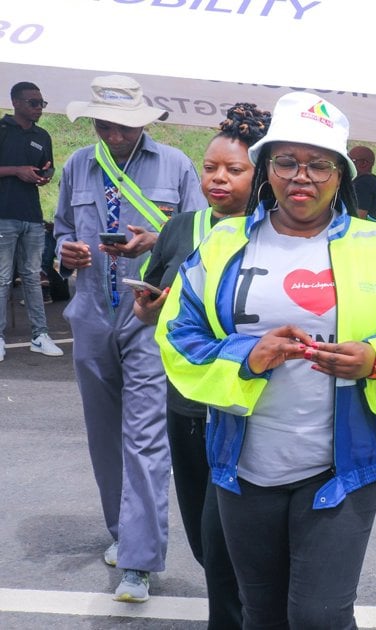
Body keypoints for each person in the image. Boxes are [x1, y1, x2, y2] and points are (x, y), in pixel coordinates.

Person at [156, 91, 376, 628]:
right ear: (267, 169)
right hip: (243, 467)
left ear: (341, 174)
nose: (301, 177)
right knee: (260, 613)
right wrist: (247, 356)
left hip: (342, 465)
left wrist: (375, 358)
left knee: (319, 615)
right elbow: (177, 336)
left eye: (319, 165)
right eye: (286, 162)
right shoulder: (222, 245)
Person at [54, 74, 206, 603]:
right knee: (103, 437)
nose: (113, 134)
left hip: (149, 317)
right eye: (103, 124)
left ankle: (139, 563)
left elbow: (202, 238)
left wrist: (155, 239)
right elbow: (60, 232)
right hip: (92, 316)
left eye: (122, 125)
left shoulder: (177, 166)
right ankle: (123, 532)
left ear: (141, 122)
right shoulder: (77, 165)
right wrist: (65, 254)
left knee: (144, 438)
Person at [132, 102, 272, 628]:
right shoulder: (179, 229)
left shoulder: (273, 234)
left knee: (223, 540)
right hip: (186, 406)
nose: (218, 178)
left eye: (234, 169)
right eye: (210, 167)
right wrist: (148, 308)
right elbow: (151, 301)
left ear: (260, 175)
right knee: (202, 540)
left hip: (243, 409)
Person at [0, 80, 61, 360]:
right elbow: (19, 170)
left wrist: (43, 175)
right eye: (33, 103)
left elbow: (46, 170)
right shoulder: (2, 130)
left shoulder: (42, 135)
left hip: (32, 216)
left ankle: (40, 334)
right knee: (2, 279)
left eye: (42, 103)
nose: (39, 108)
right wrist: (17, 171)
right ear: (15, 103)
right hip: (4, 214)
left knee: (33, 278)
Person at [348, 145, 376, 219]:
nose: (347, 163)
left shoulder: (363, 184)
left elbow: (359, 217)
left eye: (351, 160)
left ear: (364, 163)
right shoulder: (372, 180)